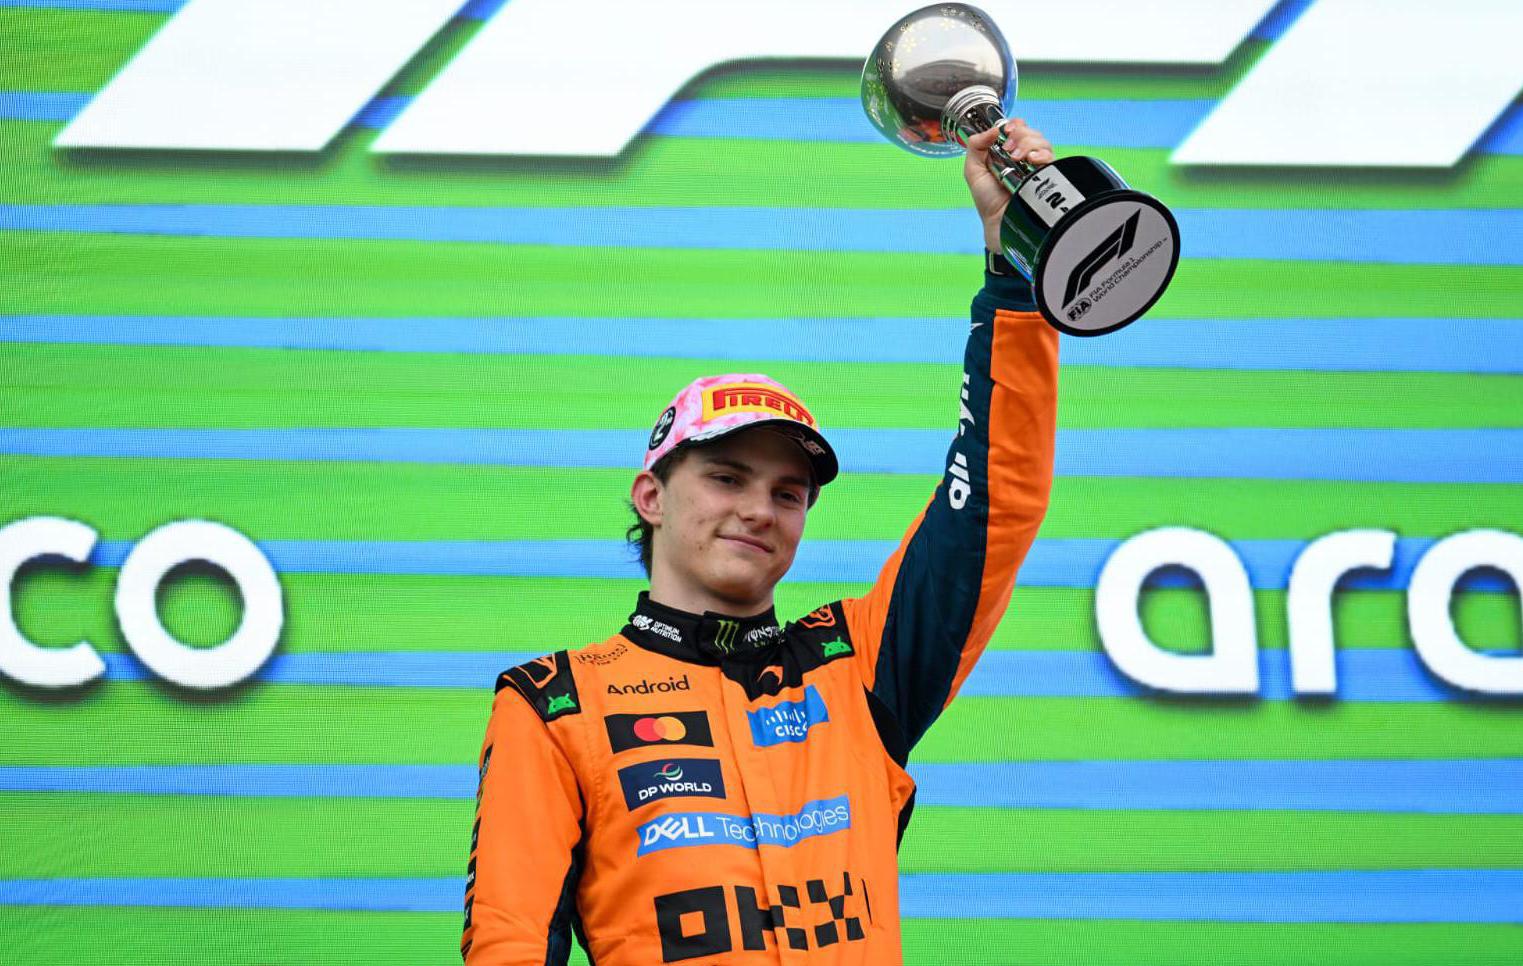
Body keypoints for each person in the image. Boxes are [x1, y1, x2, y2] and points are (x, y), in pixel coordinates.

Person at [462, 118, 1059, 965]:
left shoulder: (857, 665)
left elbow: (994, 502)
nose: (758, 510)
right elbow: (511, 942)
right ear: (650, 496)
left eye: (788, 493)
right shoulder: (553, 704)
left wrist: (1013, 272)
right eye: (726, 477)